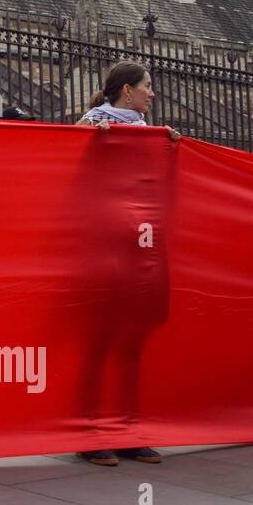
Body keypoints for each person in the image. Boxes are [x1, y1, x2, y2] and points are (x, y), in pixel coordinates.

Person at [73, 61, 179, 468]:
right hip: (104, 249)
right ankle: (89, 435)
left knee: (133, 343)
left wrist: (171, 147)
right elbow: (69, 165)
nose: (152, 93)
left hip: (142, 247)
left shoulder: (148, 131)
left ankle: (127, 432)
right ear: (126, 90)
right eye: (147, 86)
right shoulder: (94, 122)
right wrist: (89, 139)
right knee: (100, 343)